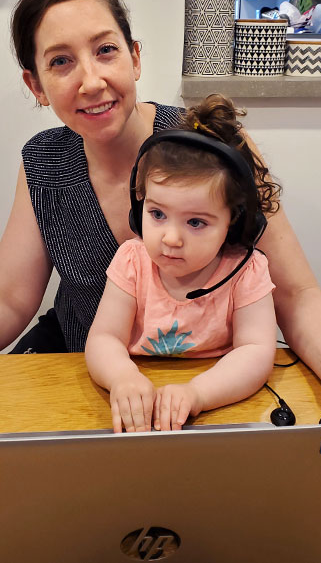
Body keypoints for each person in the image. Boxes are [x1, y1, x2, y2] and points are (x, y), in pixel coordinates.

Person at [0, 0, 321, 410]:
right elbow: (7, 299)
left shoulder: (214, 144)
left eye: (106, 50)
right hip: (88, 378)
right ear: (36, 85)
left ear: (134, 58)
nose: (91, 81)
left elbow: (296, 293)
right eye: (61, 61)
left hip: (213, 386)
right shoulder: (43, 162)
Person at [84, 94, 278, 433]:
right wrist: (122, 378)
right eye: (157, 214)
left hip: (219, 405)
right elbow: (103, 339)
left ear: (233, 222)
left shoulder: (247, 271)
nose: (170, 238)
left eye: (196, 222)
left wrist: (198, 393)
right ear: (138, 206)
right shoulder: (133, 261)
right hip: (137, 403)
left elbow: (256, 352)